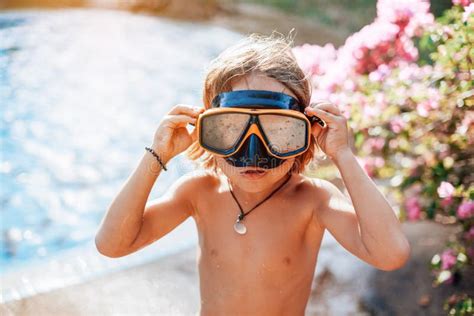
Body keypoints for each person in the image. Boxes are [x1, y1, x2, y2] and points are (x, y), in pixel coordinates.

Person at [95, 33, 411, 315]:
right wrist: (156, 156)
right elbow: (112, 244)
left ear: (305, 131)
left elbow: (390, 254)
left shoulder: (313, 201)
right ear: (207, 128)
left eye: (277, 129)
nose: (253, 151)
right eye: (231, 128)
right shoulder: (199, 193)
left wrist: (343, 155)